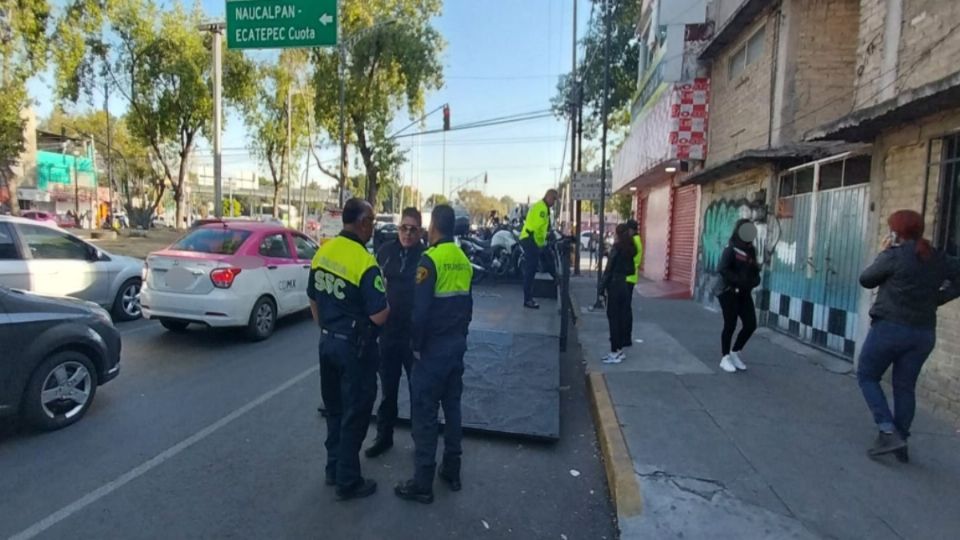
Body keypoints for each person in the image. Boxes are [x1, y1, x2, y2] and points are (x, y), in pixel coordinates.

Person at [856, 210, 960, 462]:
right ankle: (901, 440)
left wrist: (883, 252)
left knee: (867, 375)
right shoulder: (938, 258)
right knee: (905, 386)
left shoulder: (894, 256)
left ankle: (888, 430)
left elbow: (866, 279)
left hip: (890, 329)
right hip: (923, 333)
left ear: (896, 232)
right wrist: (938, 299)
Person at [308, 198, 390, 501]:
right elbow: (380, 314)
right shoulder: (364, 261)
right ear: (363, 222)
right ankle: (348, 480)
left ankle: (333, 468)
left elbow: (313, 298)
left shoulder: (323, 252)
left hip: (327, 343)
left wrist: (328, 329)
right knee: (355, 414)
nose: (373, 227)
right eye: (372, 220)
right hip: (355, 351)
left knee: (334, 410)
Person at [395, 205, 473, 504]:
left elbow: (420, 313)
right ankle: (452, 471)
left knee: (425, 413)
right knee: (452, 409)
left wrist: (415, 347)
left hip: (432, 352)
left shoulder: (430, 260)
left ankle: (422, 482)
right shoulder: (464, 261)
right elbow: (467, 308)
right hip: (456, 347)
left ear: (434, 227)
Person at [365, 207, 426, 458]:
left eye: (413, 229)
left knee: (418, 393)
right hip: (388, 335)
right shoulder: (386, 252)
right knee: (388, 391)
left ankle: (421, 442)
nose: (407, 234)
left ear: (420, 231)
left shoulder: (427, 257)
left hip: (414, 338)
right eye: (404, 228)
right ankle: (384, 437)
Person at [715, 219, 760, 373]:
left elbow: (755, 270)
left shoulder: (751, 250)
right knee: (730, 324)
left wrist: (754, 281)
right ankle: (725, 357)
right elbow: (722, 269)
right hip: (728, 291)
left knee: (751, 324)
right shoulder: (731, 249)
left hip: (744, 292)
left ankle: (735, 352)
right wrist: (739, 280)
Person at [599, 224, 637, 364]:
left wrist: (601, 288)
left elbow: (608, 270)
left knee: (613, 319)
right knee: (621, 318)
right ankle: (619, 350)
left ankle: (614, 351)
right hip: (624, 285)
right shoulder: (630, 248)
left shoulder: (617, 248)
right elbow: (631, 269)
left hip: (614, 285)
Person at [519, 189, 558, 309]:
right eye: (554, 200)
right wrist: (544, 240)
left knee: (532, 269)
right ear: (549, 197)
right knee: (530, 270)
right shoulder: (542, 209)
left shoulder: (542, 207)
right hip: (530, 239)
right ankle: (528, 299)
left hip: (530, 239)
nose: (554, 203)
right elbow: (538, 229)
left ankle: (528, 298)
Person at [623, 219, 645, 346]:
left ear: (631, 229)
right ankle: (626, 336)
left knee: (625, 309)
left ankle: (626, 337)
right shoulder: (637, 240)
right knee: (626, 308)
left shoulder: (634, 241)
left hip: (628, 277)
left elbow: (629, 259)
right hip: (631, 277)